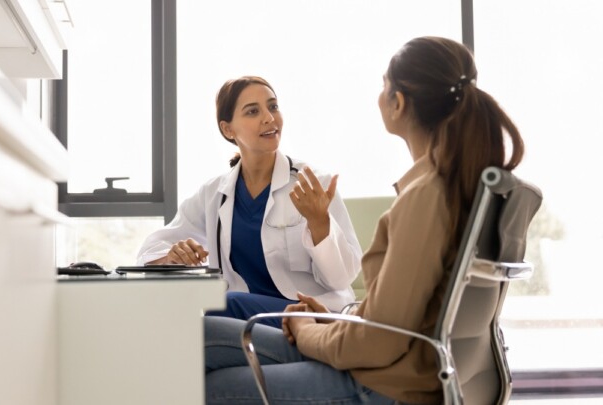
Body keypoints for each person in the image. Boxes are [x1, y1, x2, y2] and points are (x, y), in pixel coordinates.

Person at [204, 36, 525, 405]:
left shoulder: (426, 197)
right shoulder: (456, 187)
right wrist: (331, 320)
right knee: (203, 333)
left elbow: (378, 343)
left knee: (204, 373)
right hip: (398, 363)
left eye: (384, 85)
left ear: (398, 102)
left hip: (384, 381)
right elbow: (395, 321)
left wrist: (307, 330)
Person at [136, 76, 363, 327]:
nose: (269, 117)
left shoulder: (313, 183)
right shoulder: (214, 193)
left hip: (314, 316)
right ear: (228, 129)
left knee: (225, 307)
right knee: (197, 326)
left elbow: (342, 278)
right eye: (253, 111)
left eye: (273, 106)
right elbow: (151, 249)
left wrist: (320, 222)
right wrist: (172, 257)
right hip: (254, 320)